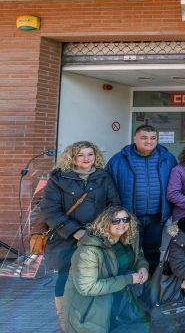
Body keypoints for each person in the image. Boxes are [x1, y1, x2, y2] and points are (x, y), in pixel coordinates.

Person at [41, 141, 121, 331]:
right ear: (72, 157)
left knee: (96, 276)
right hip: (66, 236)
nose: (86, 159)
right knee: (65, 277)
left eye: (90, 154)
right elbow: (50, 209)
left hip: (97, 237)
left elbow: (114, 204)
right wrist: (74, 231)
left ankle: (93, 319)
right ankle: (65, 321)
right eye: (81, 155)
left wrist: (105, 230)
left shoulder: (103, 176)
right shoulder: (59, 178)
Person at [62, 206, 149, 333]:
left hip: (119, 305)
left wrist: (143, 267)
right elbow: (87, 287)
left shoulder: (128, 239)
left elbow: (138, 256)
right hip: (91, 313)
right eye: (116, 220)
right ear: (105, 222)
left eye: (125, 219)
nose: (122, 224)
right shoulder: (88, 251)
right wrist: (128, 279)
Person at [106, 124, 178, 272]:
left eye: (153, 138)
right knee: (128, 252)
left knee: (153, 253)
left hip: (156, 218)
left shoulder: (167, 158)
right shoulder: (118, 159)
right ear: (135, 139)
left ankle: (149, 285)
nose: (149, 141)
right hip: (129, 218)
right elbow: (108, 187)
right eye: (144, 138)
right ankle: (129, 286)